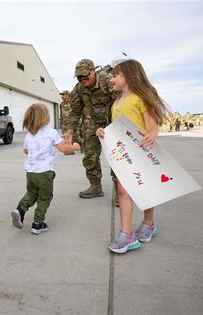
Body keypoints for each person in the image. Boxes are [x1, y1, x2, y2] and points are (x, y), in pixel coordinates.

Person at [96, 59, 169, 254]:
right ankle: (127, 234)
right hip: (124, 155)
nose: (112, 79)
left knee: (145, 190)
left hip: (142, 152)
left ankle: (148, 223)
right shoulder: (116, 102)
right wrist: (103, 132)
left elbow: (152, 125)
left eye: (115, 75)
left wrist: (152, 134)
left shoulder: (140, 98)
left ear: (128, 75)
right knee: (122, 190)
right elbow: (116, 128)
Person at [11, 103, 80, 235]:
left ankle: (20, 210)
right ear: (45, 117)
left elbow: (26, 151)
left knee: (31, 193)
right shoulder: (51, 132)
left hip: (31, 172)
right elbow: (63, 148)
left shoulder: (29, 135)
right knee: (44, 197)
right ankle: (38, 224)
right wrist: (76, 147)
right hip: (44, 172)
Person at [63, 59, 118, 198]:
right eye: (79, 76)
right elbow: (75, 111)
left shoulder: (107, 81)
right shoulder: (79, 88)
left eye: (85, 75)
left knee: (117, 158)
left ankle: (120, 192)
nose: (82, 79)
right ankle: (95, 187)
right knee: (89, 157)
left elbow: (121, 102)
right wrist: (70, 131)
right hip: (94, 123)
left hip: (114, 123)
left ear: (93, 71)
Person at [59, 90, 83, 155]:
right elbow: (61, 114)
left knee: (76, 137)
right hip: (64, 123)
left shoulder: (73, 103)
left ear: (68, 95)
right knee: (66, 138)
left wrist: (78, 122)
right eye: (62, 95)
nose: (62, 96)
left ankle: (84, 146)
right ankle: (69, 151)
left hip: (72, 124)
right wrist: (61, 123)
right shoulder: (61, 104)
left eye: (63, 95)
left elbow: (77, 113)